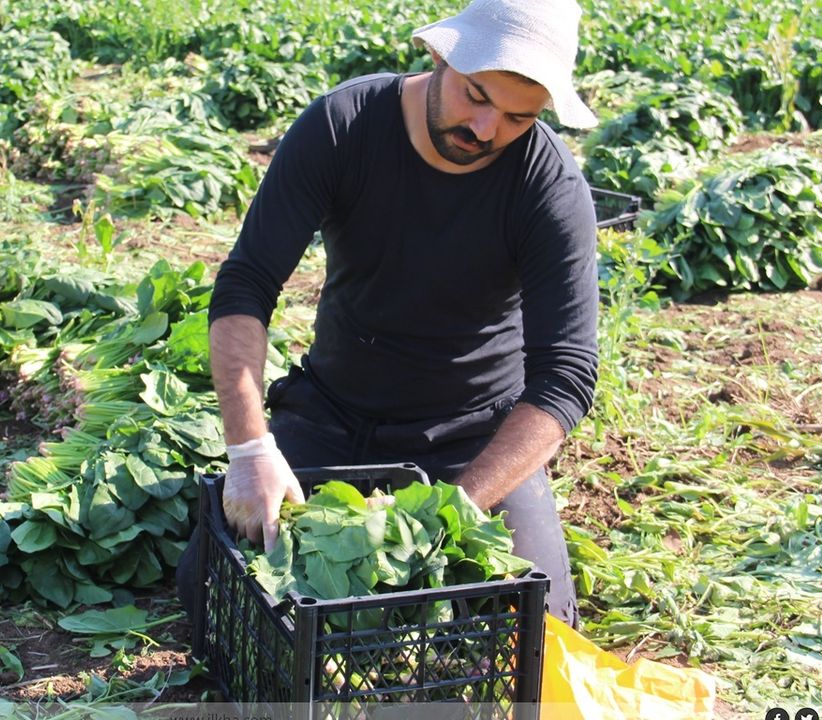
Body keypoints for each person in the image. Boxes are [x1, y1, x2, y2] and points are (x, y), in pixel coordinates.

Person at [179, 0, 600, 627]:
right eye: (475, 95)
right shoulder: (344, 125)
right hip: (332, 416)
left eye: (518, 117)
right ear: (440, 55)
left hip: (470, 439)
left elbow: (565, 376)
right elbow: (247, 282)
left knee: (534, 628)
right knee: (220, 597)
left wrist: (452, 512)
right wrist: (248, 448)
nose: (487, 129)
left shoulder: (547, 186)